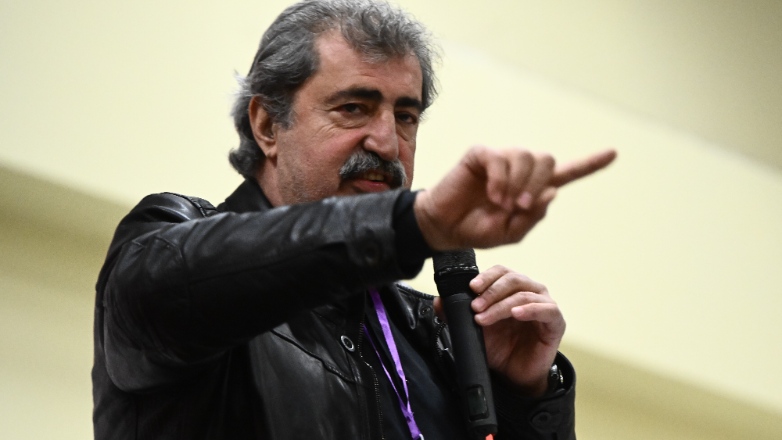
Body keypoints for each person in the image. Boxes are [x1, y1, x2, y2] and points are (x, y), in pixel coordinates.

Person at [91, 0, 616, 439]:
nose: (387, 143)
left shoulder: (431, 333)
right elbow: (176, 287)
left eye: (405, 116)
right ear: (267, 124)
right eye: (353, 108)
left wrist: (523, 397)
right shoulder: (172, 242)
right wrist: (415, 223)